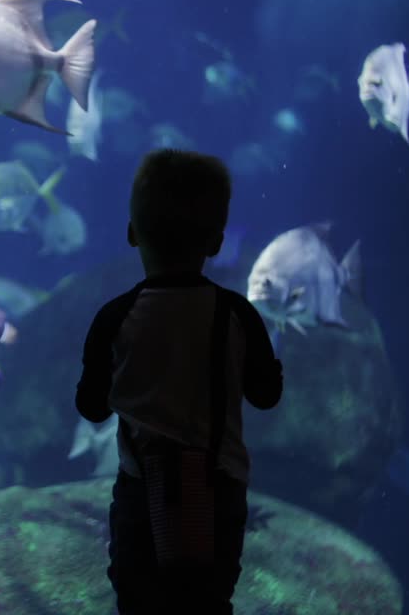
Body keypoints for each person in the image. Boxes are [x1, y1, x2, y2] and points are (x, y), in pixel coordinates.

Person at [75, 148, 283, 614]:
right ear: (215, 241)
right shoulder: (237, 315)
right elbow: (266, 395)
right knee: (208, 601)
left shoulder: (115, 317)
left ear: (132, 233)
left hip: (140, 491)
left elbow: (92, 407)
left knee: (138, 597)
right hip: (218, 491)